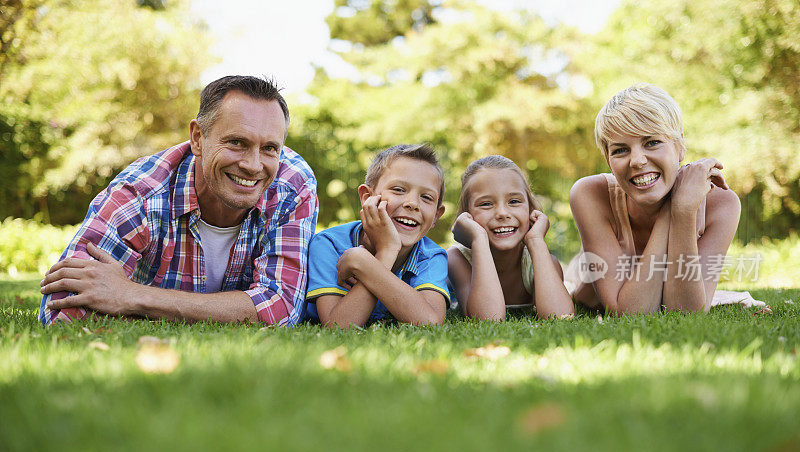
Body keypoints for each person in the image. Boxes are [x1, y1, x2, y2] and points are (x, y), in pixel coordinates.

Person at [39, 75, 318, 326]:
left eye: (269, 148)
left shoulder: (291, 187)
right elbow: (62, 308)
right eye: (236, 142)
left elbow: (281, 308)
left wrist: (133, 296)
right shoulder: (142, 194)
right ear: (198, 138)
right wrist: (234, 309)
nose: (253, 165)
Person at [567, 83, 763, 313]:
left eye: (652, 142)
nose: (637, 161)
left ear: (680, 146)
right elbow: (629, 312)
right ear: (609, 161)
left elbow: (686, 312)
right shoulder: (590, 194)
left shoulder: (721, 204)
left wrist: (684, 211)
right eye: (620, 150)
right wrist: (675, 207)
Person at [303, 144, 449, 328]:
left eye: (427, 197)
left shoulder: (431, 256)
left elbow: (430, 322)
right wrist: (387, 252)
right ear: (367, 197)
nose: (413, 204)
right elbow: (338, 326)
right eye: (398, 189)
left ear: (436, 215)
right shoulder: (329, 244)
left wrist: (365, 263)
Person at [447, 156, 574, 321]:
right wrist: (478, 239)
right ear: (466, 216)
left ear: (530, 210)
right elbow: (487, 319)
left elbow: (560, 317)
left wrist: (536, 240)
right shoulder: (457, 259)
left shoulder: (540, 262)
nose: (502, 213)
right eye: (486, 204)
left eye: (514, 201)